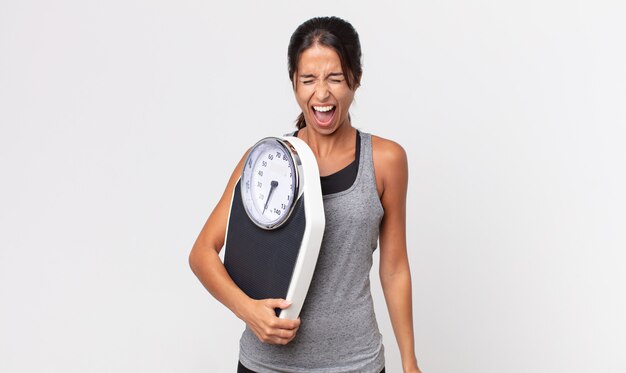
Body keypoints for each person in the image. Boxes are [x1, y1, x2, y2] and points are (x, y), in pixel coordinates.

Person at [189, 16, 422, 373]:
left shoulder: (386, 161)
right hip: (266, 365)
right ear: (294, 84)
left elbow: (393, 270)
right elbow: (202, 253)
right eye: (308, 80)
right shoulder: (265, 162)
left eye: (335, 78)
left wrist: (410, 362)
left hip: (355, 363)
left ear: (355, 80)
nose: (322, 93)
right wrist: (248, 311)